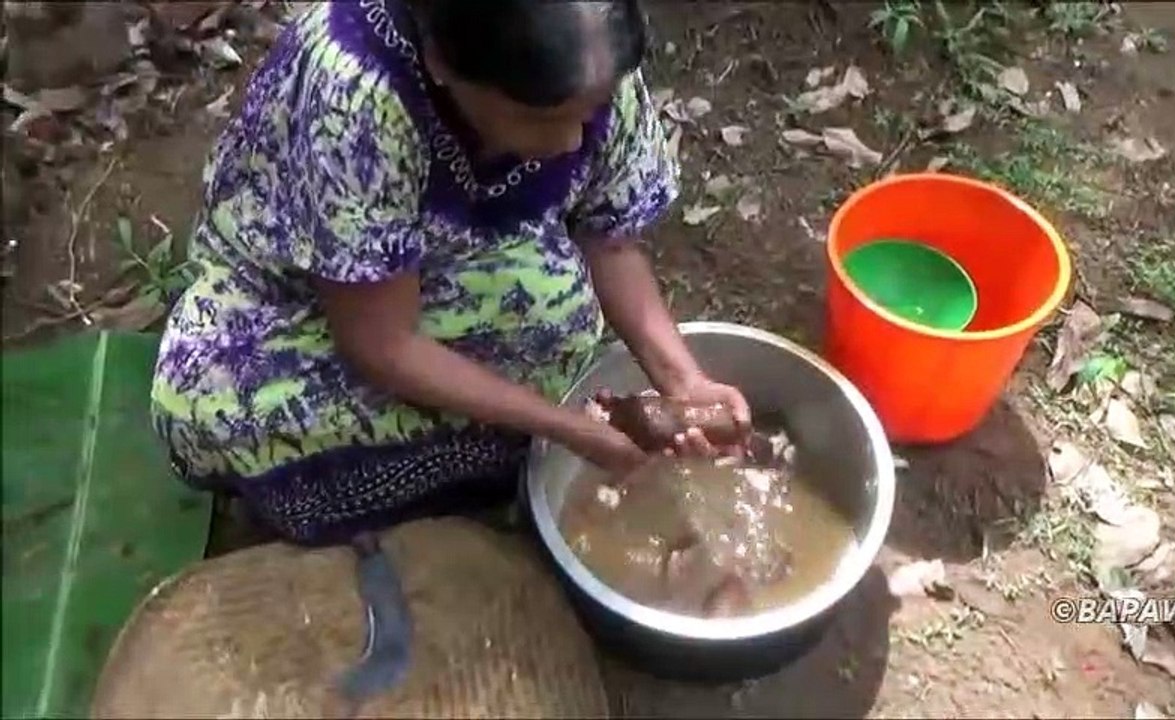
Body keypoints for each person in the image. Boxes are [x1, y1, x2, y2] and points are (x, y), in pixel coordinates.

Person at [151, 0, 751, 547]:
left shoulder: (590, 51)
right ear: (441, 62)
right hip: (296, 288)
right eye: (538, 117)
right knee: (206, 409)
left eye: (590, 112)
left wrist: (682, 381)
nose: (573, 140)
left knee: (562, 323)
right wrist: (568, 430)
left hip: (453, 250)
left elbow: (610, 240)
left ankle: (485, 446)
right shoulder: (357, 93)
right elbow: (380, 343)